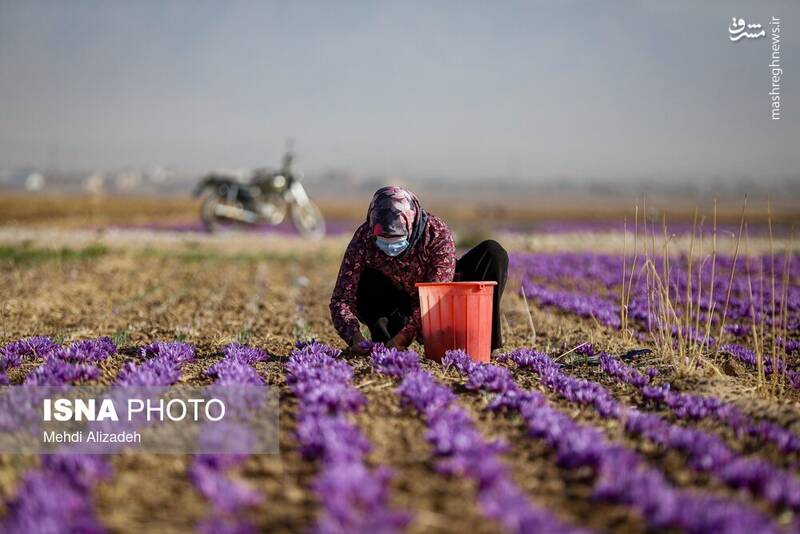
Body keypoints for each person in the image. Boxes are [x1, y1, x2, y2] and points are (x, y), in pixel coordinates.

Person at [330, 186, 508, 355]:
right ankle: (385, 342)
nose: (389, 244)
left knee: (492, 253)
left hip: (441, 307)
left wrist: (405, 336)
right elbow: (341, 298)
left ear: (411, 224)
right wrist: (354, 337)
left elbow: (437, 293)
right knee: (368, 277)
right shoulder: (365, 236)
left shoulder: (435, 232)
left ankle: (482, 343)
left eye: (396, 237)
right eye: (382, 238)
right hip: (397, 306)